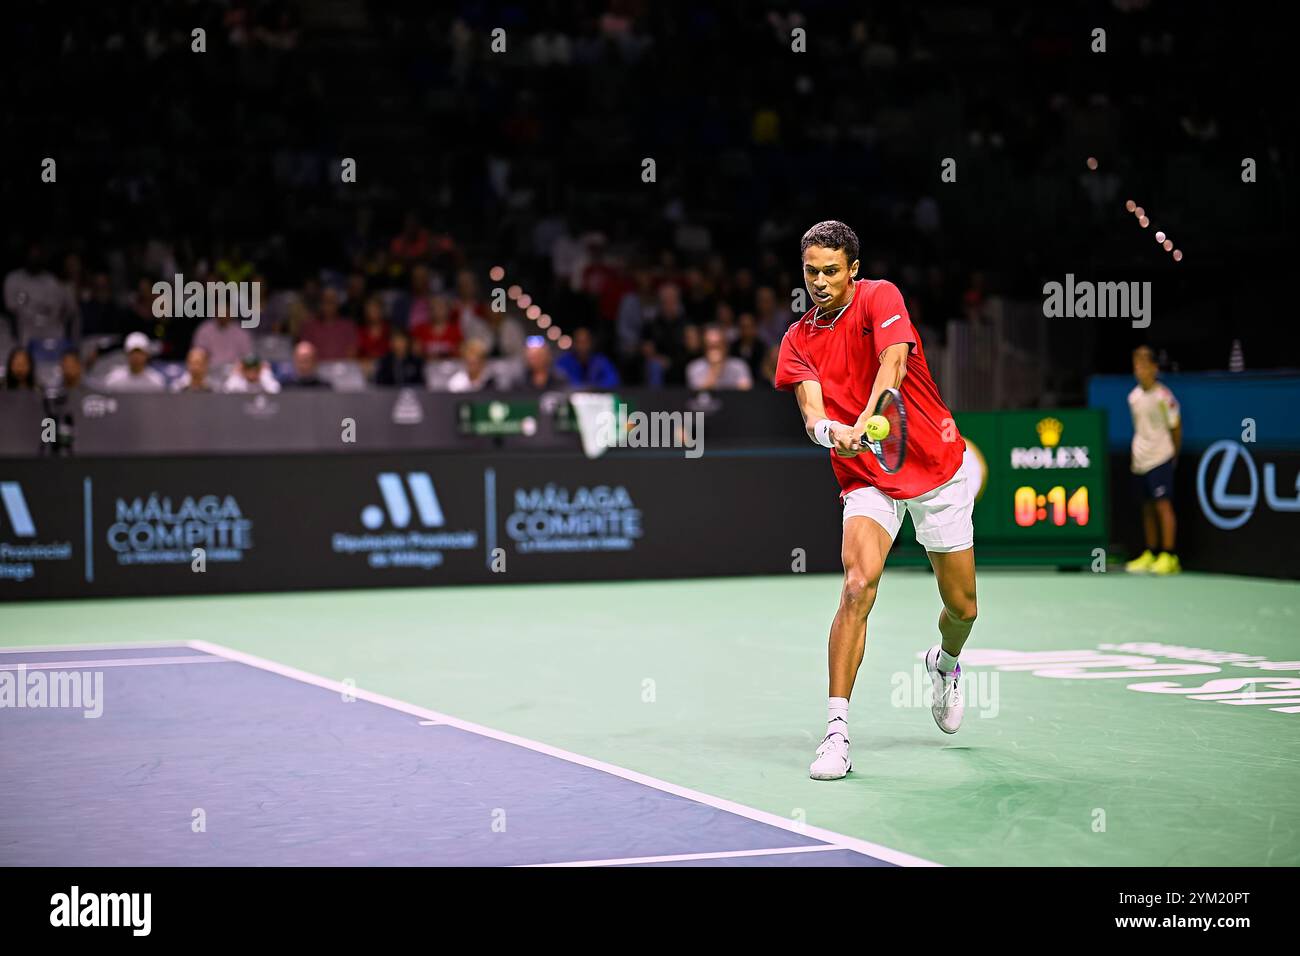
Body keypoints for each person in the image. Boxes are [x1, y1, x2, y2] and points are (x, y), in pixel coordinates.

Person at [775, 221, 979, 781]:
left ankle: (947, 662)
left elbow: (893, 361)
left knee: (963, 608)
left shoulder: (879, 297)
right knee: (857, 584)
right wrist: (832, 434)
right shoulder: (797, 341)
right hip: (867, 473)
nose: (820, 281)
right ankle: (836, 732)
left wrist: (871, 413)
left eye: (831, 271)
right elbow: (812, 414)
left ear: (853, 270)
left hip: (936, 466)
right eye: (811, 271)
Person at [1124, 346, 1182, 575]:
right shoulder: (1133, 397)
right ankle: (1151, 552)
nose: (1140, 370)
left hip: (1161, 457)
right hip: (1140, 458)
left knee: (1162, 505)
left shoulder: (1164, 397)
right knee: (1146, 507)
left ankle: (1169, 555)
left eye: (1145, 365)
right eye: (1136, 365)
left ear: (1155, 368)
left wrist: (1172, 454)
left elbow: (1175, 427)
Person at [687, 325, 752, 391]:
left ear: (726, 346)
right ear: (704, 347)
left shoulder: (739, 366)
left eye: (718, 345)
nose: (715, 350)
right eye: (711, 346)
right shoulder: (695, 368)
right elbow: (698, 396)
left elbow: (746, 392)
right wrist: (713, 370)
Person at [555, 327, 619, 387]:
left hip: (596, 396)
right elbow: (559, 381)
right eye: (578, 342)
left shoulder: (601, 361)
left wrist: (592, 388)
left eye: (585, 342)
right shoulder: (563, 361)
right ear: (573, 343)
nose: (581, 346)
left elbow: (613, 380)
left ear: (591, 343)